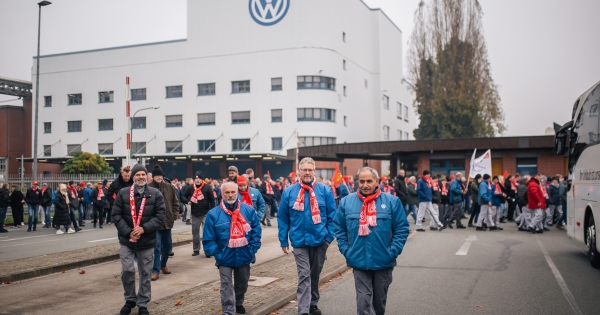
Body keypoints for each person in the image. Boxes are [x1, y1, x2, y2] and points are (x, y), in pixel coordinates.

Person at [334, 167, 410, 315]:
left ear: (377, 182)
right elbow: (339, 228)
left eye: (369, 181)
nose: (365, 185)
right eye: (362, 181)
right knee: (363, 303)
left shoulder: (392, 202)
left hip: (384, 261)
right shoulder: (346, 202)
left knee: (379, 304)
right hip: (358, 261)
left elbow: (402, 229)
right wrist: (346, 250)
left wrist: (392, 252)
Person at [278, 157, 336, 315]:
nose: (307, 172)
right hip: (299, 241)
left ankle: (313, 303)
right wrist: (283, 239)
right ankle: (303, 310)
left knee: (314, 274)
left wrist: (328, 238)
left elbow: (333, 217)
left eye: (310, 170)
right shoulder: (289, 191)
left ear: (314, 171)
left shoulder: (325, 191)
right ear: (299, 171)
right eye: (304, 169)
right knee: (304, 274)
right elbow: (283, 217)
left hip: (320, 241)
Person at [112, 164, 166, 315]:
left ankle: (143, 303)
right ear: (133, 177)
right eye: (137, 175)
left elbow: (160, 215)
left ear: (146, 176)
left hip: (147, 241)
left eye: (143, 174)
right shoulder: (123, 193)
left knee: (145, 273)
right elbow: (116, 215)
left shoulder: (155, 194)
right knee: (127, 270)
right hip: (127, 241)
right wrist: (128, 232)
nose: (141, 177)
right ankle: (130, 299)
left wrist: (144, 228)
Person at [202, 182, 262, 315]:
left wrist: (252, 249)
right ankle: (229, 310)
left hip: (244, 254)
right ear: (221, 194)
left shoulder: (248, 210)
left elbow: (256, 232)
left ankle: (238, 302)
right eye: (227, 193)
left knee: (242, 283)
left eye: (232, 192)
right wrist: (218, 254)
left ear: (237, 193)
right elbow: (208, 239)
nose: (230, 195)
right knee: (226, 285)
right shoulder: (213, 214)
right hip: (224, 256)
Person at [147, 165, 180, 281]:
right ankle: (155, 270)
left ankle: (163, 264)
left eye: (160, 175)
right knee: (156, 247)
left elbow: (176, 202)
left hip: (167, 222)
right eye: (156, 175)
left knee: (168, 246)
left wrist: (174, 214)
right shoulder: (148, 188)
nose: (159, 177)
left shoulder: (169, 187)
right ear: (153, 177)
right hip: (155, 223)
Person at [181, 170, 216, 257]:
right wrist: (187, 201)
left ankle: (207, 251)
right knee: (195, 233)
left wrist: (212, 212)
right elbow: (182, 196)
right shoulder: (190, 188)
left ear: (202, 180)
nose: (198, 180)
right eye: (196, 179)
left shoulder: (207, 188)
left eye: (199, 179)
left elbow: (212, 200)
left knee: (206, 233)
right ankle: (196, 250)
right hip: (195, 214)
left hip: (206, 214)